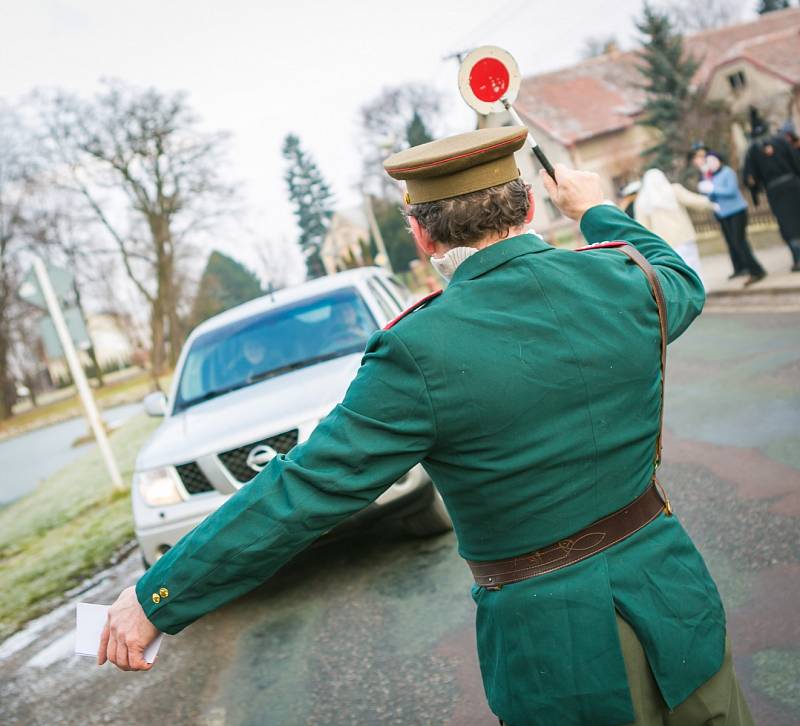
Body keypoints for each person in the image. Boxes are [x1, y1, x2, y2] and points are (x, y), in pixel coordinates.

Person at [98, 127, 752, 726]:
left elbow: (300, 492)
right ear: (528, 208)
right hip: (675, 603)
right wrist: (594, 208)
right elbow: (676, 275)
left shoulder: (417, 350)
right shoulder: (623, 279)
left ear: (422, 235)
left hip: (558, 651)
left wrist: (158, 596)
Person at [695, 151, 767, 284]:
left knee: (739, 241)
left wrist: (713, 189)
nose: (711, 164)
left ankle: (756, 270)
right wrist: (706, 190)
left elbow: (731, 191)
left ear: (719, 160)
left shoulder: (727, 172)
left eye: (713, 160)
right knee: (734, 243)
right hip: (723, 214)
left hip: (737, 211)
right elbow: (711, 196)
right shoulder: (710, 177)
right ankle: (745, 269)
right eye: (708, 162)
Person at [633, 168, 712, 284]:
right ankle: (701, 288)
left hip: (664, 242)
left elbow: (641, 226)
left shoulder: (642, 200)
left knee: (677, 271)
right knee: (693, 265)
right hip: (684, 236)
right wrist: (710, 201)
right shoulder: (673, 190)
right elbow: (693, 201)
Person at [744, 130, 800, 272]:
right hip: (793, 185)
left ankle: (798, 258)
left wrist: (755, 191)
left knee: (787, 225)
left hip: (776, 191)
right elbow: (796, 160)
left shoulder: (753, 149)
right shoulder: (781, 141)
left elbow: (750, 176)